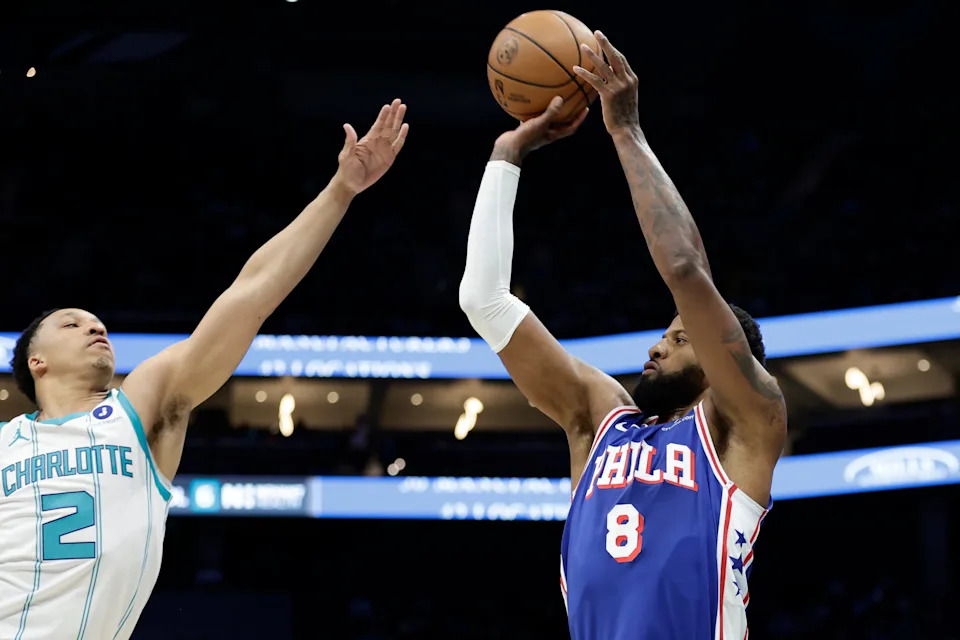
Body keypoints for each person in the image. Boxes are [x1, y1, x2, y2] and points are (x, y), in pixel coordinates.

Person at [0, 99, 409, 639]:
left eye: (98, 323)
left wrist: (340, 191)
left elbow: (250, 295)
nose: (96, 328)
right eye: (72, 325)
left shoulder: (140, 406)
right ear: (37, 361)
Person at [458, 31, 786, 640]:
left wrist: (625, 131)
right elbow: (484, 301)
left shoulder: (745, 423)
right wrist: (506, 157)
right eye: (666, 335)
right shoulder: (599, 419)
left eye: (682, 338)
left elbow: (686, 269)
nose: (658, 346)